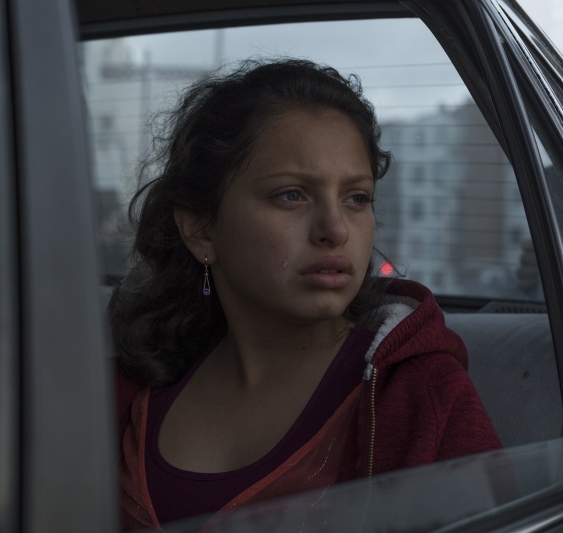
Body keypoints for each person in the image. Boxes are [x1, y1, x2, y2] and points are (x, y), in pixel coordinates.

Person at [109, 58, 501, 530]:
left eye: (356, 198)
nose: (336, 229)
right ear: (201, 230)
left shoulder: (421, 394)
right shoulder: (132, 386)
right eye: (291, 195)